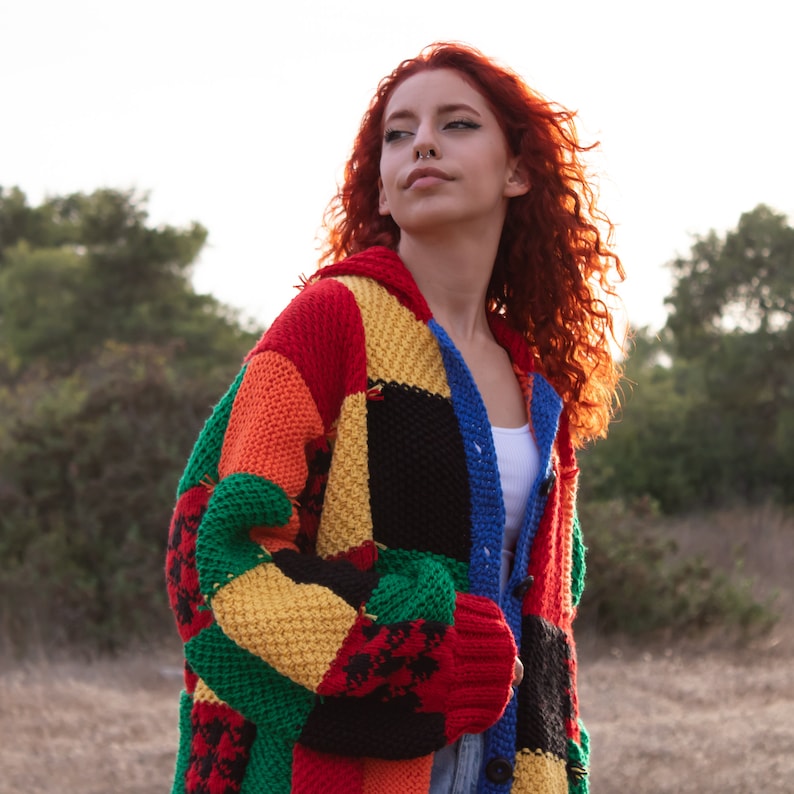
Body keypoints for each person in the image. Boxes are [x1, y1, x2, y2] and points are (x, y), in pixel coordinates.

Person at [165, 41, 623, 794]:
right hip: (339, 770)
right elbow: (212, 555)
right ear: (381, 188)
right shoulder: (331, 322)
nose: (423, 144)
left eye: (457, 124)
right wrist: (416, 655)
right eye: (399, 134)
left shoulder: (539, 389)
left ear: (518, 171)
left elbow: (548, 623)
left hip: (509, 772)